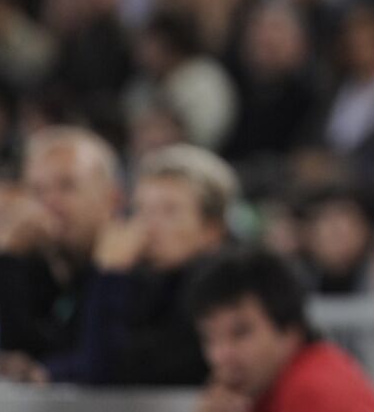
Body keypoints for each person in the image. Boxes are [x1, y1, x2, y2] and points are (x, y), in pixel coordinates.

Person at [52, 144, 238, 385]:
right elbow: (79, 350)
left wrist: (110, 275)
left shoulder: (223, 291)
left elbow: (111, 369)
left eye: (169, 211)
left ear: (212, 229)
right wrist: (45, 371)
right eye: (142, 209)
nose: (148, 226)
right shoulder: (148, 280)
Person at [0, 126, 123, 381]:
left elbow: (95, 358)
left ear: (112, 199)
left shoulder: (133, 270)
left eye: (67, 186)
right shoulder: (35, 264)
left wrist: (107, 274)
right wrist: (6, 257)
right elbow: (15, 353)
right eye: (37, 191)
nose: (49, 201)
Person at [190, 246, 374, 412]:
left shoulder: (312, 391)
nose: (221, 355)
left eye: (240, 333)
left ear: (289, 331)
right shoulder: (277, 387)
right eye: (210, 338)